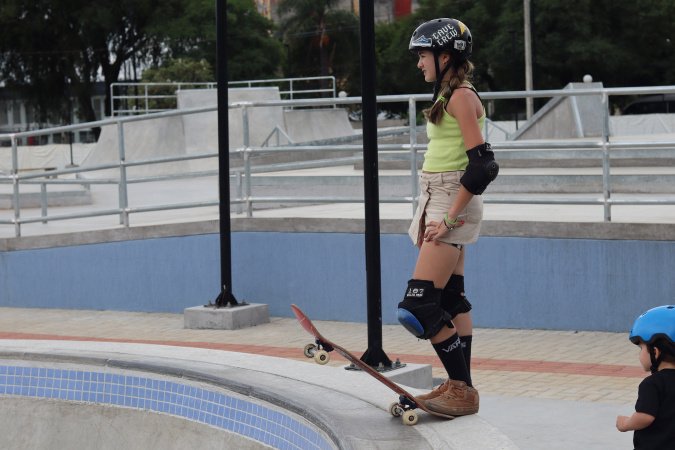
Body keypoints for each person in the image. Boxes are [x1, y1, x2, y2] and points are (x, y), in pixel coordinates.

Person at [396, 18, 498, 417]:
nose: (419, 63)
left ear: (444, 56)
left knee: (418, 306)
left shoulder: (461, 97)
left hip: (450, 201)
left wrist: (451, 219)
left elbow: (483, 166)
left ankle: (461, 389)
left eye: (423, 55)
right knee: (451, 300)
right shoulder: (449, 94)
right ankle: (461, 387)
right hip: (436, 197)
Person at [616, 305, 675, 449]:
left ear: (655, 352)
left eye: (641, 348)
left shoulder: (652, 384)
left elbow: (645, 417)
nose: (640, 353)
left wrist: (625, 424)